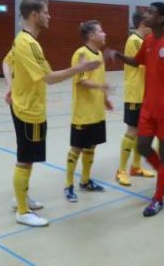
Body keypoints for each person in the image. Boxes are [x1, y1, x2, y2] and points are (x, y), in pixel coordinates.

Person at [3, 0, 100, 227]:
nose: (49, 16)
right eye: (46, 12)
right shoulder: (29, 44)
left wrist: (10, 86)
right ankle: (23, 212)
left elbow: (6, 62)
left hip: (24, 105)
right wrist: (79, 68)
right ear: (35, 15)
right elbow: (49, 78)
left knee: (27, 157)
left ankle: (22, 197)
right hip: (30, 110)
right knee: (25, 160)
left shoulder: (22, 40)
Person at [106, 2, 164, 217]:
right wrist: (119, 56)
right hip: (148, 106)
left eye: (151, 12)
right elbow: (137, 61)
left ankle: (158, 198)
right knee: (142, 146)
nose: (146, 15)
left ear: (161, 18)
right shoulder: (149, 40)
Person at [64, 21, 112, 202]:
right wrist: (101, 86)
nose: (104, 34)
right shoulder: (81, 53)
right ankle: (68, 185)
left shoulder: (99, 54)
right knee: (77, 148)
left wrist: (105, 98)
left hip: (97, 111)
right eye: (101, 31)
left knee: (92, 146)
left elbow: (100, 78)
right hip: (83, 112)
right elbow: (81, 81)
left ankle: (85, 181)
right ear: (91, 36)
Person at [115, 11, 155, 187]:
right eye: (150, 25)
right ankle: (121, 170)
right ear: (143, 25)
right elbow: (143, 63)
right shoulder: (134, 41)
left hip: (145, 93)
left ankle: (136, 167)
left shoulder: (144, 41)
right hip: (135, 93)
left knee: (141, 131)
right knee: (132, 131)